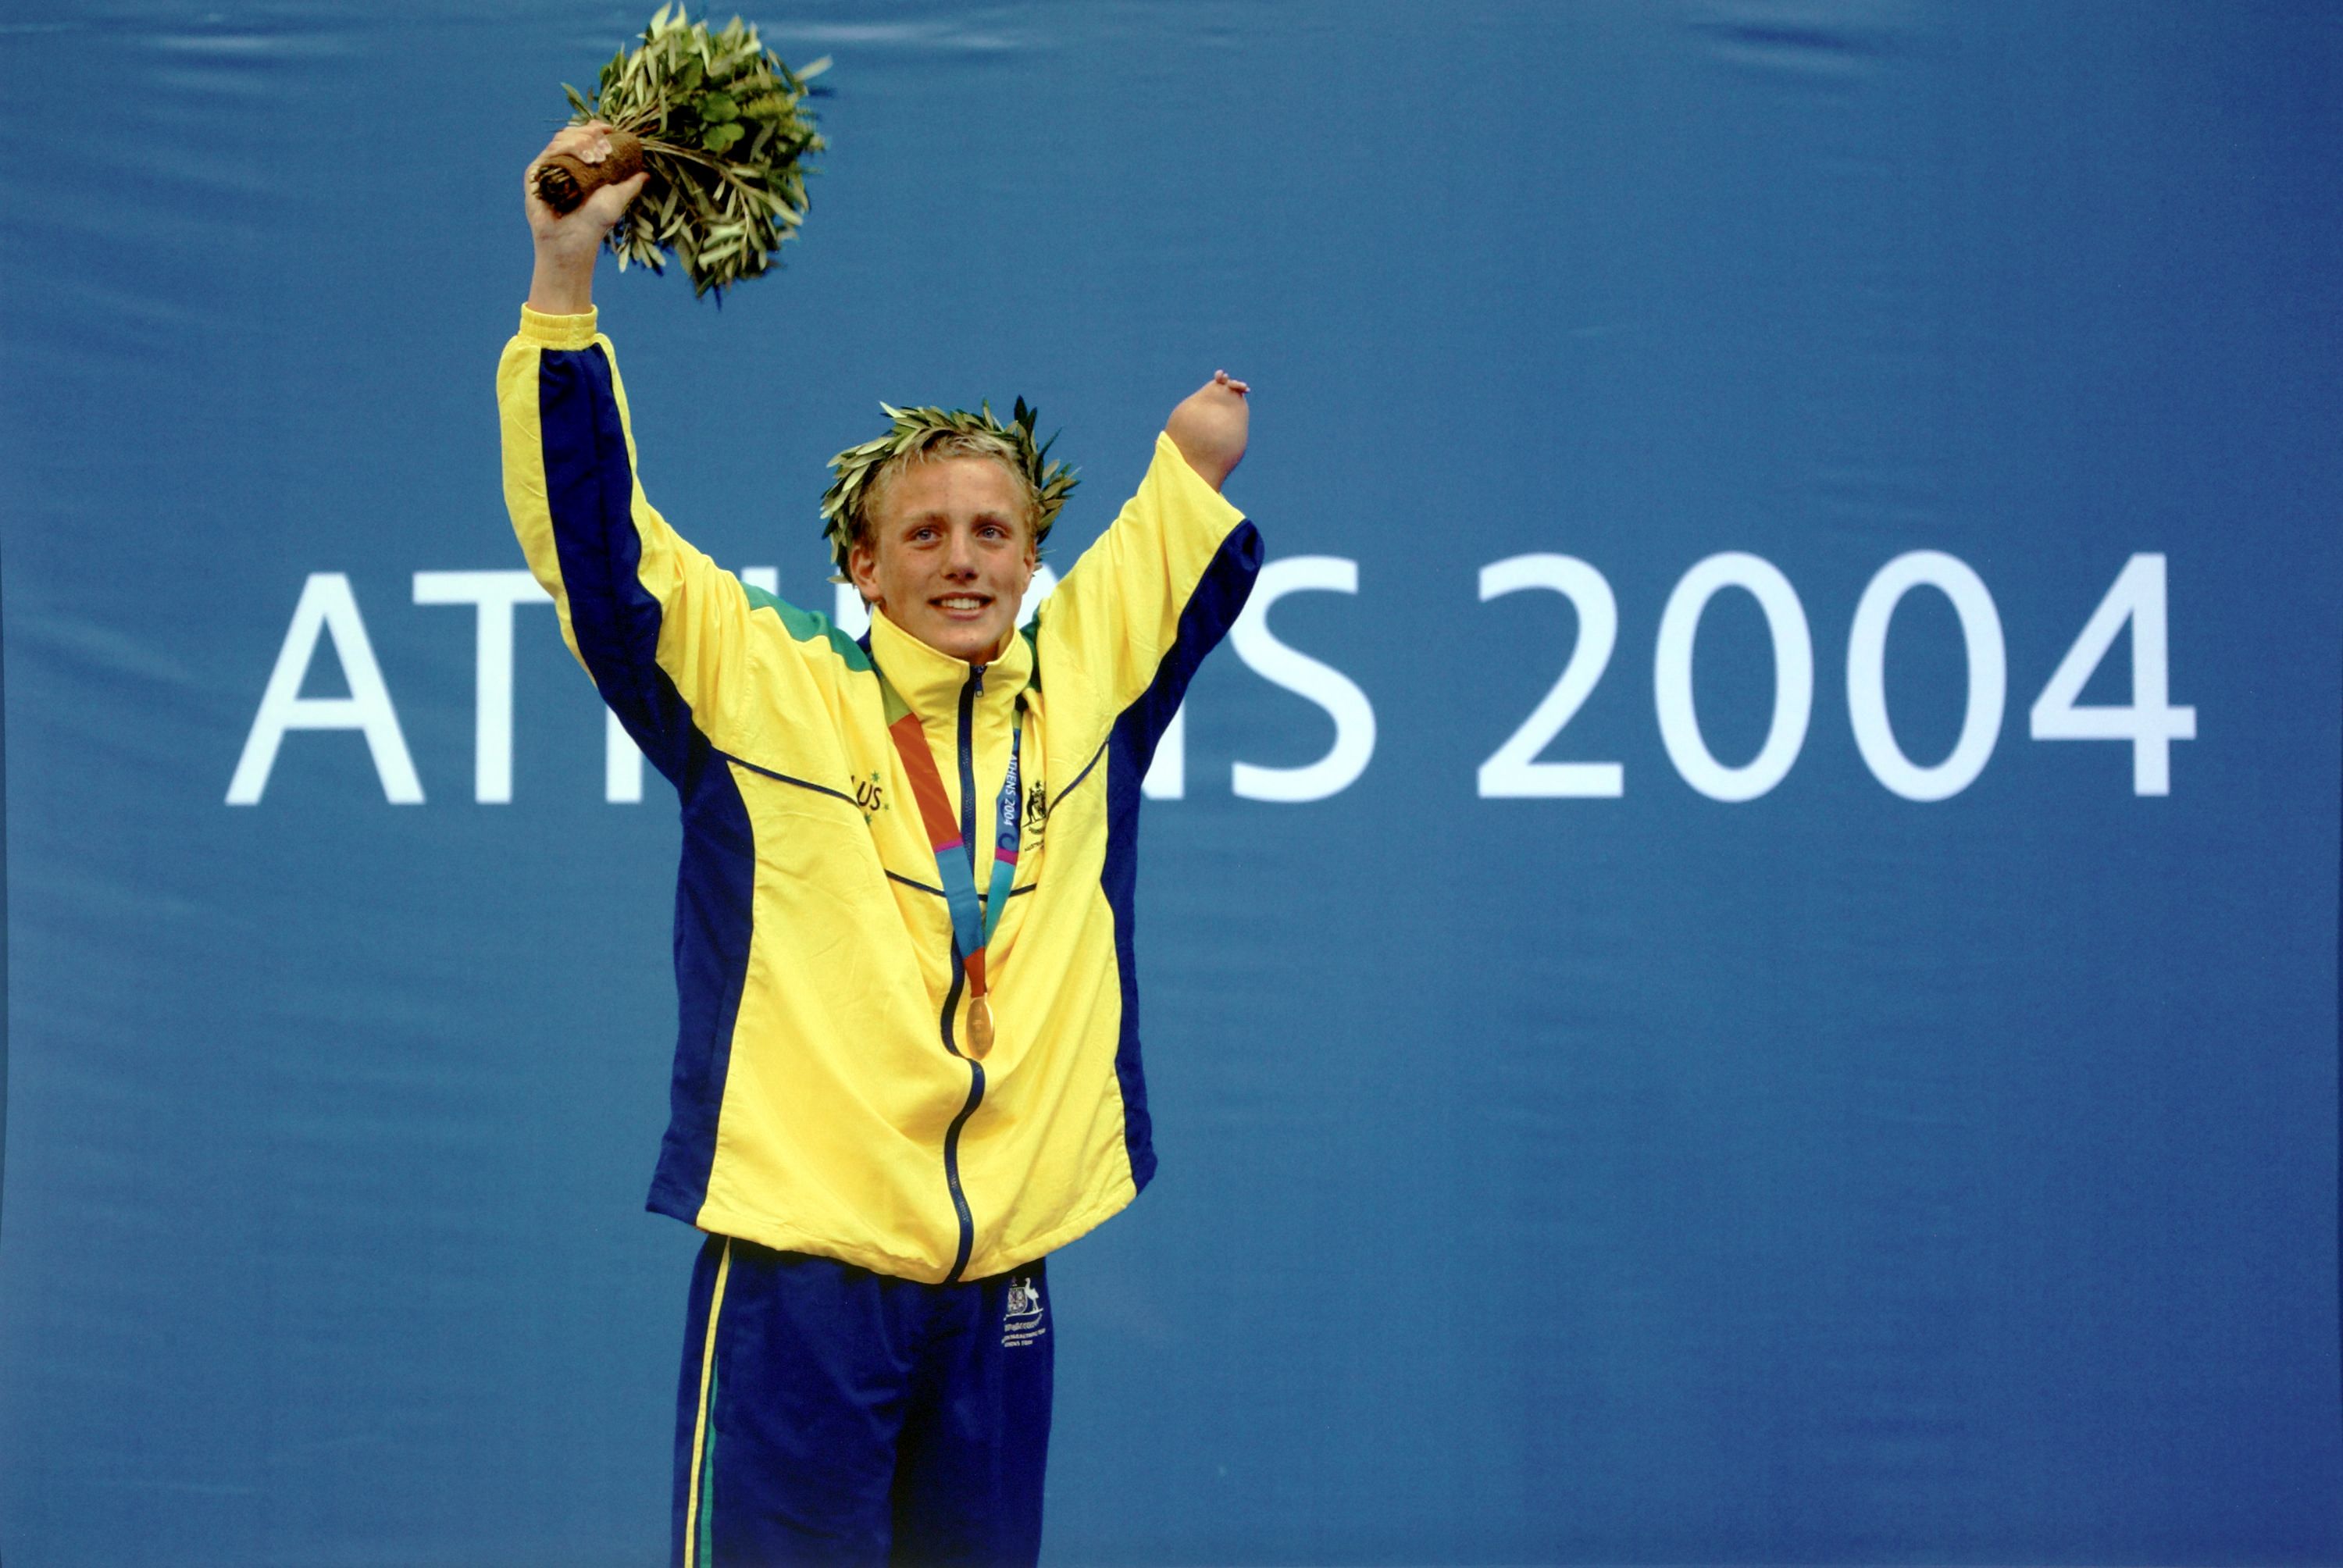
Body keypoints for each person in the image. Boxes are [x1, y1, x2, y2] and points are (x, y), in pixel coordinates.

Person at [498, 123, 1261, 1566]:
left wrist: (1188, 464)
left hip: (999, 1285)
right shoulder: (766, 691)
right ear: (859, 564)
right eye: (922, 535)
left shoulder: (1081, 692)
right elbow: (602, 558)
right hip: (807, 1278)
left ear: (1035, 560)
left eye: (993, 531)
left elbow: (1162, 562)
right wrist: (563, 280)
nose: (962, 559)